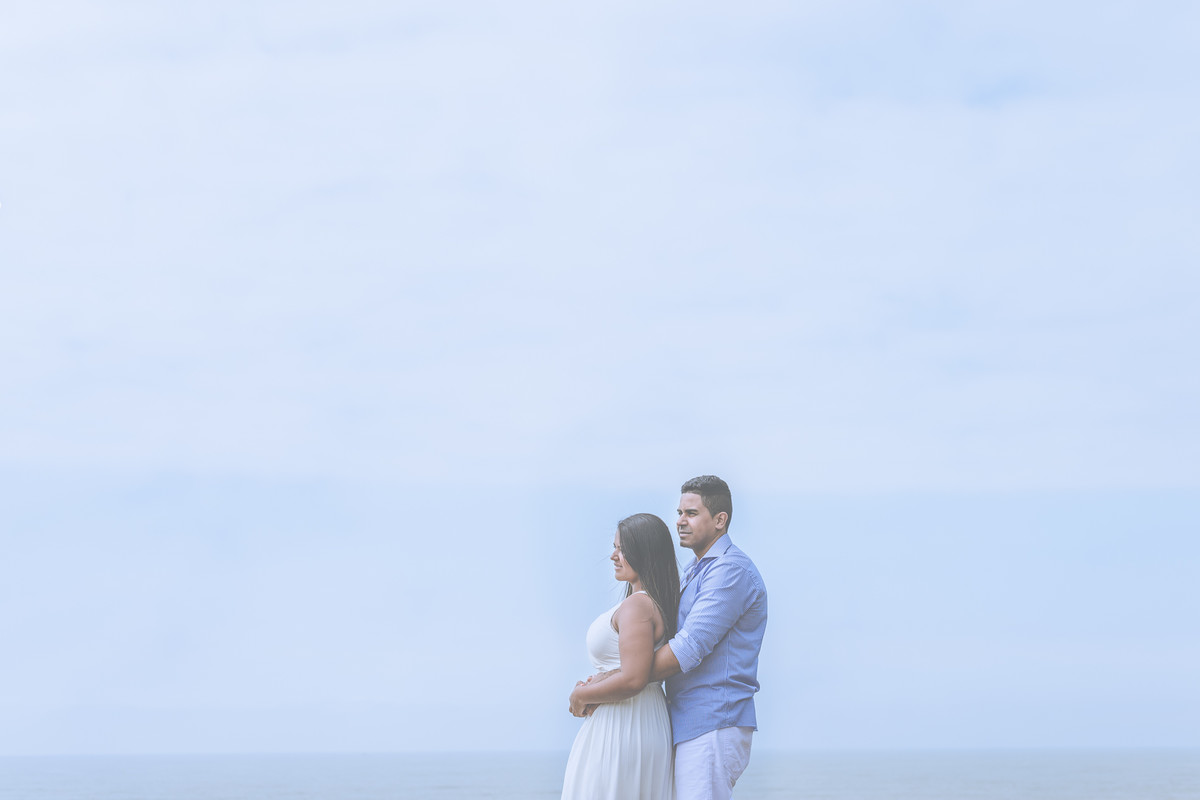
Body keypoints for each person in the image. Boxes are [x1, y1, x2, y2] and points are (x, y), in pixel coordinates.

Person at [584, 476, 767, 800]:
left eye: (692, 513)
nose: (680, 521)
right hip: (685, 721)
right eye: (679, 512)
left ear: (720, 520)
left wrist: (614, 681)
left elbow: (688, 648)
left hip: (713, 721)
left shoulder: (730, 571)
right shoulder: (694, 571)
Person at [560, 513, 681, 800]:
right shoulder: (646, 603)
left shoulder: (637, 606)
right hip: (637, 719)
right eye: (615, 547)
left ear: (645, 551)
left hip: (625, 724)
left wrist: (582, 696)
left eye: (622, 549)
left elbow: (633, 678)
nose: (614, 556)